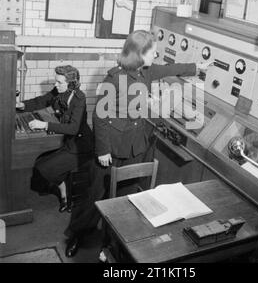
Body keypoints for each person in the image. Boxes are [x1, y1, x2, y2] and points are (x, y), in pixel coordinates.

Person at [64, 30, 211, 258]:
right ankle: (77, 234)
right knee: (95, 195)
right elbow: (99, 117)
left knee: (127, 197)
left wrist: (196, 67)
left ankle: (114, 244)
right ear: (140, 53)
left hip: (134, 146)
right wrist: (102, 150)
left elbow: (169, 69)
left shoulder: (146, 72)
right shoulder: (114, 79)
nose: (156, 55)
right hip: (110, 149)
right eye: (153, 51)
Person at [16, 65, 93, 213]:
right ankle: (61, 184)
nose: (55, 85)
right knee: (39, 162)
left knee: (43, 168)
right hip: (67, 142)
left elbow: (73, 128)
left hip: (80, 146)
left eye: (59, 82)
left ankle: (65, 194)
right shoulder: (58, 91)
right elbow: (42, 100)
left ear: (71, 84)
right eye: (55, 81)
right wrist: (22, 105)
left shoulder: (79, 98)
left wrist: (44, 125)